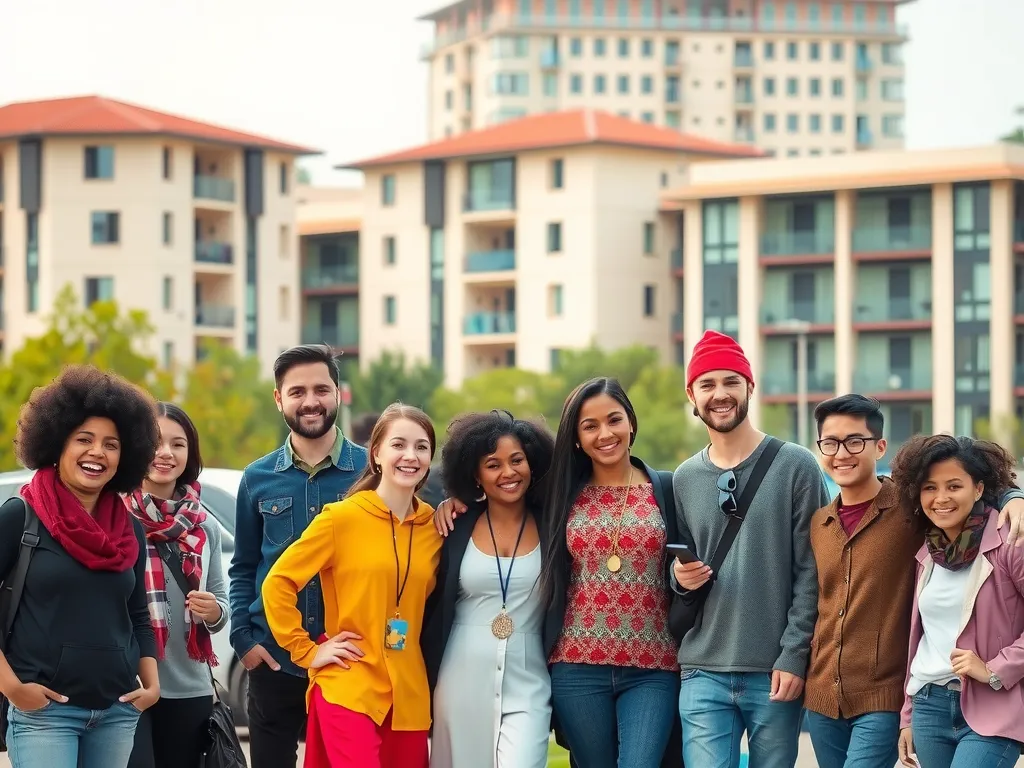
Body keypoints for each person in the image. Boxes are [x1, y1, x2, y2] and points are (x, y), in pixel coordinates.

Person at [434, 379, 683, 768]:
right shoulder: (561, 495)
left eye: (614, 419)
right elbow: (497, 487)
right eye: (589, 425)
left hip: (652, 664)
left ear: (631, 423)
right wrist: (455, 501)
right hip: (576, 664)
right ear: (576, 438)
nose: (605, 433)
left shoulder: (667, 488)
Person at [804, 396, 1024, 768]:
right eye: (831, 442)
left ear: (880, 446)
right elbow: (917, 638)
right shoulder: (925, 549)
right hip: (886, 700)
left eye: (855, 441)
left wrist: (1014, 496)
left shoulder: (913, 515)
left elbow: (965, 477)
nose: (842, 453)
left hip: (924, 700)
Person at [671, 330, 828, 768]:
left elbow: (812, 570)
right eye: (707, 384)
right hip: (702, 668)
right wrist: (678, 577)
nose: (719, 394)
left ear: (749, 387)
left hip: (773, 671)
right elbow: (677, 563)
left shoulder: (796, 465)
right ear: (692, 394)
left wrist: (795, 656)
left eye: (730, 382)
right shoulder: (683, 478)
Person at [262, 403, 441, 768]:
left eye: (421, 447)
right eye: (399, 445)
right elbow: (278, 582)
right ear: (376, 453)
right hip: (349, 684)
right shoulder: (341, 518)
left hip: (408, 693)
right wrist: (307, 652)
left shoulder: (435, 527)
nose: (411, 456)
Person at [0, 366, 160, 768]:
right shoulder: (20, 517)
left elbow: (138, 614)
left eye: (111, 444)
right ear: (57, 444)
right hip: (44, 716)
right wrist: (11, 688)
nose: (97, 453)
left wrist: (152, 684)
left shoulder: (129, 531)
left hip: (117, 712)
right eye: (83, 440)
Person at [228, 344, 369, 768]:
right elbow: (244, 567)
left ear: (338, 393)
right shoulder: (257, 478)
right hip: (273, 659)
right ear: (278, 399)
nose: (310, 401)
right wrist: (243, 639)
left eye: (321, 389)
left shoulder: (371, 471)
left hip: (348, 659)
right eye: (297, 391)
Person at [423, 410, 556, 768]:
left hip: (529, 682)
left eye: (517, 460)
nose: (508, 472)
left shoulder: (554, 524)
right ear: (476, 475)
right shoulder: (454, 525)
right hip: (459, 679)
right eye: (493, 464)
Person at [894, 436, 1024, 768]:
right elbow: (924, 640)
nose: (941, 498)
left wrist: (995, 669)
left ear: (979, 489)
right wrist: (907, 715)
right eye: (930, 488)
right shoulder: (926, 554)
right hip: (928, 707)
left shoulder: (1009, 541)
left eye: (954, 486)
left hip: (993, 706)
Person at [125, 403, 230, 768]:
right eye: (155, 441)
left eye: (178, 444)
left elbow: (221, 606)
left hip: (189, 686)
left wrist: (214, 609)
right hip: (128, 684)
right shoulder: (114, 518)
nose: (165, 453)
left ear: (190, 453)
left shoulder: (205, 527)